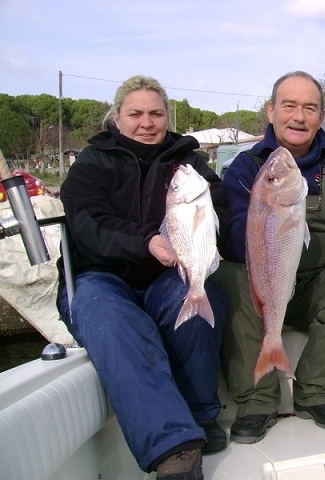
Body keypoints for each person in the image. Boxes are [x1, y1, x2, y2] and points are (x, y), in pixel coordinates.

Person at [56, 75, 229, 480]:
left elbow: (218, 203)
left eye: (156, 113)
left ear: (168, 118)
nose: (147, 122)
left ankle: (202, 412)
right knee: (115, 322)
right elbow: (87, 224)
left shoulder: (190, 162)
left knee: (199, 301)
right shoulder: (91, 163)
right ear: (116, 118)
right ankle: (173, 448)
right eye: (136, 114)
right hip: (101, 273)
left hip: (168, 271)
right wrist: (145, 241)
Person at [214, 71, 325, 443]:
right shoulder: (248, 165)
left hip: (315, 286)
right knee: (230, 280)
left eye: (309, 108)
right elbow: (233, 242)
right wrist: (269, 216)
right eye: (289, 106)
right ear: (271, 112)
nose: (298, 117)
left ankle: (316, 392)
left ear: (321, 117)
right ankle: (256, 401)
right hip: (268, 282)